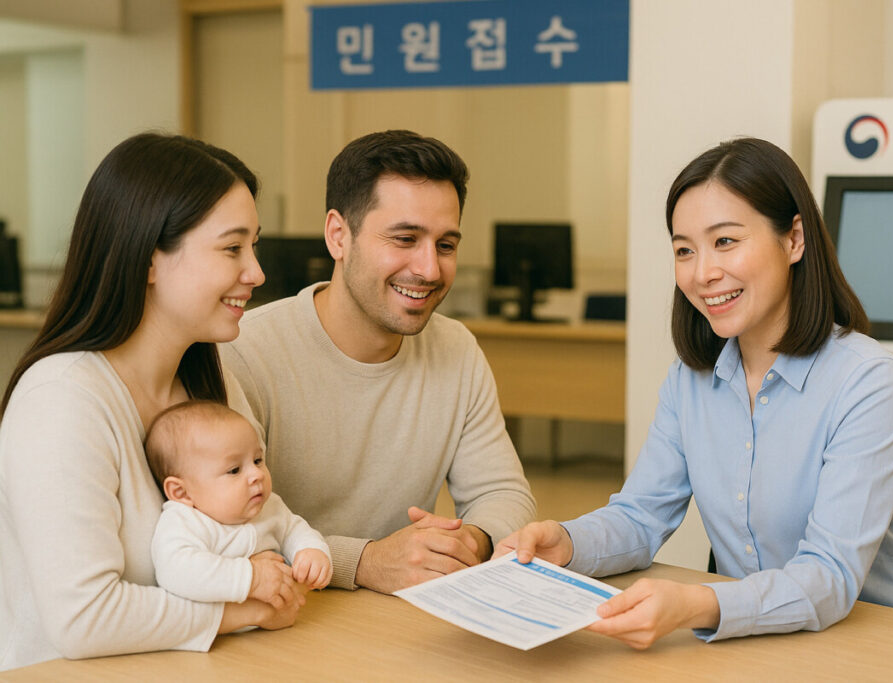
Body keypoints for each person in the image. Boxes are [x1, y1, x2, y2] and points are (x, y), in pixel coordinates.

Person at [496, 137, 893, 648]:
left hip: (889, 647)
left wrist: (700, 604)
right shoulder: (691, 381)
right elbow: (640, 517)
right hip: (762, 643)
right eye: (684, 250)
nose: (703, 272)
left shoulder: (868, 382)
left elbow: (831, 576)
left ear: (794, 239)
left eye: (725, 241)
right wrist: (567, 542)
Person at [0, 133, 305, 671]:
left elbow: (260, 541)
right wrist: (240, 608)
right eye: (233, 248)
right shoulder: (62, 399)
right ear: (147, 259)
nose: (256, 273)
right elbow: (84, 618)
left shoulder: (214, 387)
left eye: (253, 246)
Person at [221, 129, 535, 593]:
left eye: (446, 245)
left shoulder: (457, 349)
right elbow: (221, 532)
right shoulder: (243, 352)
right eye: (405, 238)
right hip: (284, 622)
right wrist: (363, 561)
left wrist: (471, 539)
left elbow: (503, 494)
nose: (429, 269)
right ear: (338, 235)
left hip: (397, 624)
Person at [145, 400, 332, 606]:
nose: (256, 474)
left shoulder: (269, 506)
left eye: (258, 460)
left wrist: (312, 552)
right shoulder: (185, 522)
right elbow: (176, 571)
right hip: (227, 635)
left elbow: (294, 530)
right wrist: (253, 577)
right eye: (234, 470)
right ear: (182, 492)